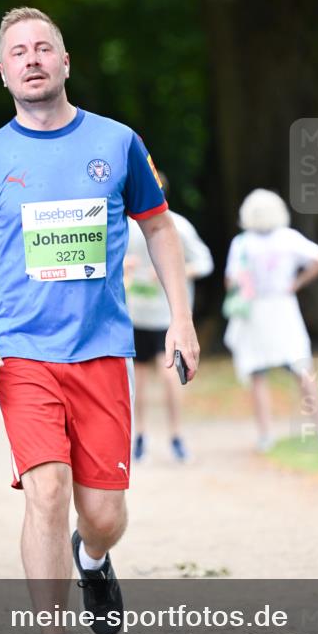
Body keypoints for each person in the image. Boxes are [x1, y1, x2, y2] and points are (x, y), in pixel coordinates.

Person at [0, 6, 200, 634]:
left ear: (64, 61)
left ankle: (93, 559)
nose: (31, 58)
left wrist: (180, 320)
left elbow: (160, 231)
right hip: (23, 355)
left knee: (104, 514)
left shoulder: (117, 144)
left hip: (102, 353)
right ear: (2, 72)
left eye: (43, 48)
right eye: (17, 52)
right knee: (45, 492)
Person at [223, 189, 318, 452]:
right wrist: (296, 283)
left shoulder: (242, 243)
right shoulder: (288, 238)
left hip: (255, 310)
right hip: (283, 307)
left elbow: (230, 281)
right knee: (302, 368)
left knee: (257, 373)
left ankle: (265, 434)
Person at [125, 172, 213, 462]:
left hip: (166, 317)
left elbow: (204, 262)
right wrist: (124, 268)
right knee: (136, 379)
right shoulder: (124, 226)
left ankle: (176, 436)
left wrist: (172, 271)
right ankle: (139, 437)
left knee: (168, 378)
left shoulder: (177, 225)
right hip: (134, 314)